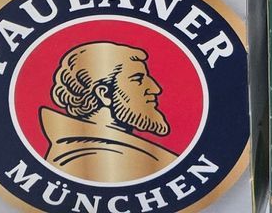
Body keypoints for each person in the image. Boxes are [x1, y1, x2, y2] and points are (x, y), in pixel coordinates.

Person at [41, 43, 174, 179]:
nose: (156, 89)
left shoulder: (128, 152)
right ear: (104, 94)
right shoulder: (86, 157)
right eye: (138, 79)